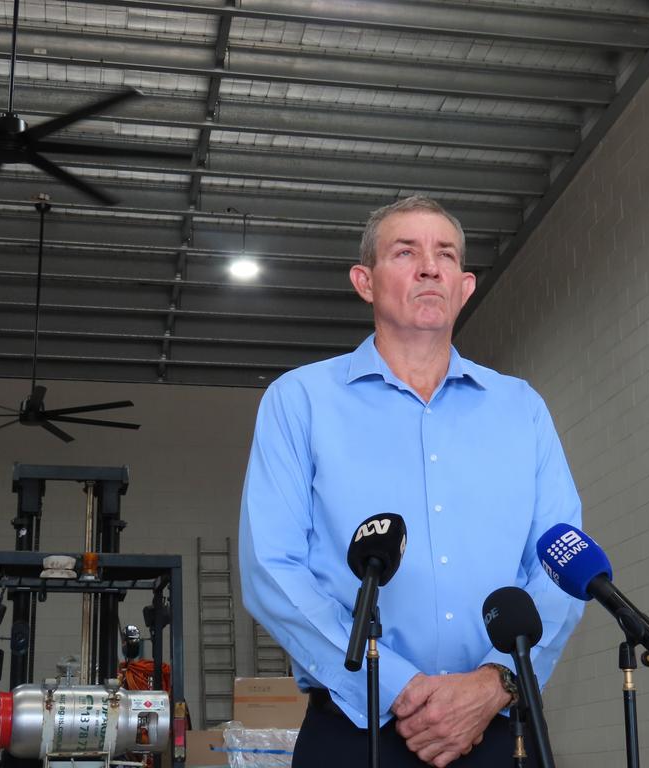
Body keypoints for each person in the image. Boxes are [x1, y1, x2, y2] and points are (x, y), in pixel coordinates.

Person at [238, 196, 583, 768]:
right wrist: (398, 687)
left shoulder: (521, 409)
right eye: (406, 252)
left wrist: (496, 683)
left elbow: (561, 560)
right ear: (364, 281)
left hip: (497, 726)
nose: (430, 266)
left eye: (445, 254)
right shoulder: (300, 402)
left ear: (465, 286)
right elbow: (272, 569)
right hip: (354, 726)